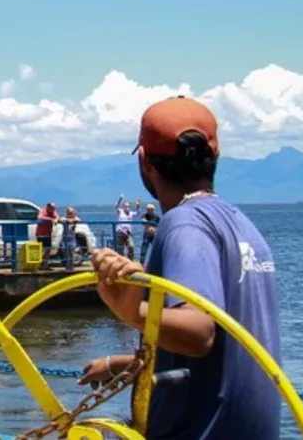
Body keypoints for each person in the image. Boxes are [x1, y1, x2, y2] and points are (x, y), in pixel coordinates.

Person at [78, 96, 280, 439]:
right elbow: (226, 354)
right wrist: (123, 365)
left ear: (145, 163)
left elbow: (200, 333)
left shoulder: (184, 225)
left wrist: (132, 310)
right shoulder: (241, 224)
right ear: (215, 157)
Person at [114, 195, 140, 260]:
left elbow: (138, 213)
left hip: (128, 233)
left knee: (131, 247)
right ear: (123, 207)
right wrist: (120, 199)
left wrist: (138, 206)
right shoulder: (120, 211)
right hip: (120, 233)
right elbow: (116, 206)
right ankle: (121, 262)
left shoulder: (131, 213)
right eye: (125, 206)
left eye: (128, 206)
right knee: (120, 249)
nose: (127, 207)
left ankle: (130, 261)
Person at [35, 202, 59, 269]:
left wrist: (56, 220)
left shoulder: (53, 212)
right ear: (48, 207)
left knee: (48, 250)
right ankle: (39, 265)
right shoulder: (42, 211)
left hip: (48, 234)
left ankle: (45, 265)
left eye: (54, 208)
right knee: (41, 250)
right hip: (40, 234)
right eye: (52, 208)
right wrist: (51, 219)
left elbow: (57, 217)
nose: (54, 210)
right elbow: (40, 217)